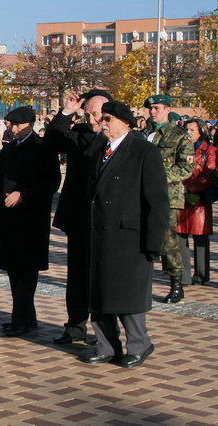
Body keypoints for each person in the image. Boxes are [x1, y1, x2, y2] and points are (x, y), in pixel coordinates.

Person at [81, 101, 169, 368]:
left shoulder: (144, 151)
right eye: (101, 117)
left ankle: (139, 345)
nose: (101, 122)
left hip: (128, 235)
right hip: (99, 233)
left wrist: (154, 242)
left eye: (107, 118)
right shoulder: (98, 150)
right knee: (99, 293)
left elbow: (157, 200)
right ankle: (107, 346)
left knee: (127, 294)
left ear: (125, 122)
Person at [44, 89, 112, 345]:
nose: (93, 120)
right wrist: (66, 112)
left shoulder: (117, 139)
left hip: (104, 219)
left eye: (97, 114)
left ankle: (104, 331)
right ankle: (75, 326)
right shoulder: (80, 134)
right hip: (78, 216)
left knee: (101, 277)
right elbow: (51, 142)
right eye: (88, 114)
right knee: (77, 277)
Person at [0, 106, 60, 337]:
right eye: (10, 125)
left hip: (31, 219)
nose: (13, 129)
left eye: (18, 125)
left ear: (30, 124)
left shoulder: (42, 148)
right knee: (12, 269)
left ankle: (20, 319)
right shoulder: (8, 150)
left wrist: (24, 195)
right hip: (8, 217)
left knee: (27, 271)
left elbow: (51, 182)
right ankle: (26, 318)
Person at [143, 95, 194, 303]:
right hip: (142, 194)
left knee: (168, 240)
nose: (152, 112)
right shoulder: (146, 134)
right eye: (150, 109)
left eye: (156, 108)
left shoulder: (179, 136)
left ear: (167, 109)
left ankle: (176, 284)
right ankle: (141, 281)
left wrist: (159, 177)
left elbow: (186, 167)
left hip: (167, 196)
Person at [176, 118, 216, 286]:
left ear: (201, 131)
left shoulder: (210, 150)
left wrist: (190, 188)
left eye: (192, 129)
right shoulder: (179, 149)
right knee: (180, 236)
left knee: (200, 238)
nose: (188, 133)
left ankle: (201, 274)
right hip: (180, 198)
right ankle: (184, 275)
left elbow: (209, 175)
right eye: (186, 129)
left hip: (199, 200)